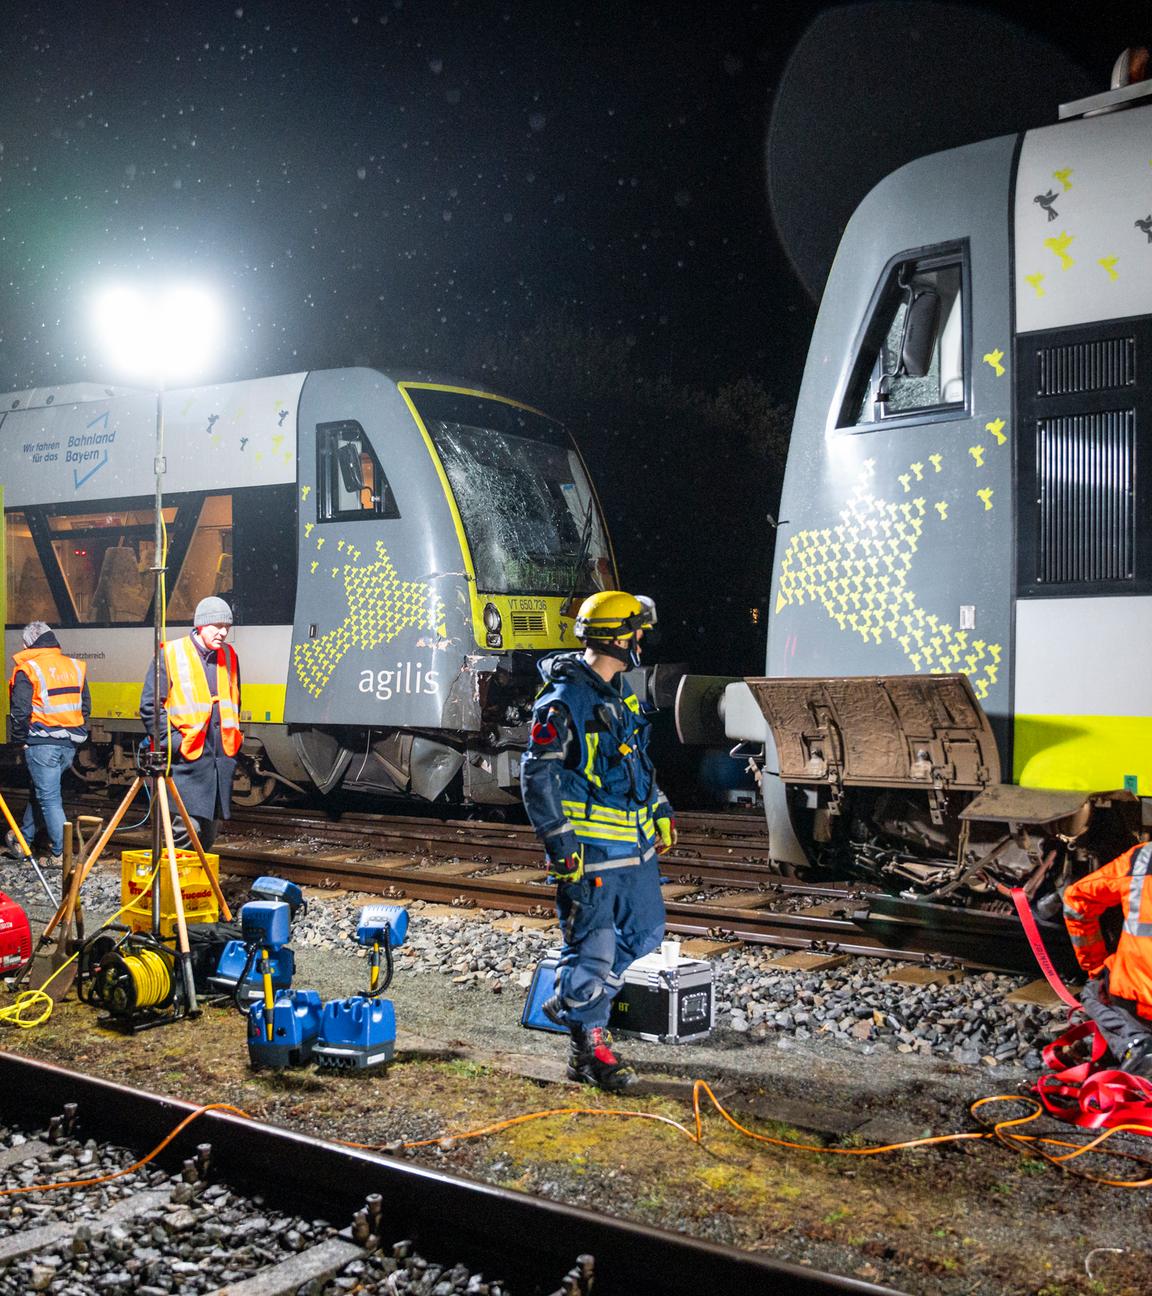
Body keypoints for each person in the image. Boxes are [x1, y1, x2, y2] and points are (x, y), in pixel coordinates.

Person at [520, 590, 677, 1091]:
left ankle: (569, 1000)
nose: (641, 640)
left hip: (634, 849)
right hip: (590, 856)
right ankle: (588, 1048)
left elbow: (636, 762)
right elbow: (536, 775)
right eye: (636, 631)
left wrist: (660, 810)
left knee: (648, 931)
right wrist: (560, 845)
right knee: (595, 949)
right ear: (617, 637)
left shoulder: (618, 694)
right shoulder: (564, 700)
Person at [139, 596, 242, 852]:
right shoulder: (171, 653)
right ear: (200, 625)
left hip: (218, 763)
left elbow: (235, 701)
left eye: (226, 627)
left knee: (207, 833)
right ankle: (177, 890)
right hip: (187, 763)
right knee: (187, 831)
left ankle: (193, 890)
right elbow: (150, 706)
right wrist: (174, 742)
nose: (223, 632)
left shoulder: (229, 656)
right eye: (217, 626)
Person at [6, 622, 91, 870]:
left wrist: (20, 740)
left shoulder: (28, 669)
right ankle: (24, 840)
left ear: (28, 644)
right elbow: (86, 706)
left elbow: (20, 712)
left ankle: (60, 854)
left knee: (49, 798)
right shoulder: (74, 666)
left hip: (42, 742)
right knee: (41, 793)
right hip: (68, 745)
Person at [1063, 843, 1152, 1078]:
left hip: (1139, 1006)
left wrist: (1095, 967)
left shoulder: (1142, 857)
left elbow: (1075, 902)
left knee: (1095, 989)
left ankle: (1136, 1042)